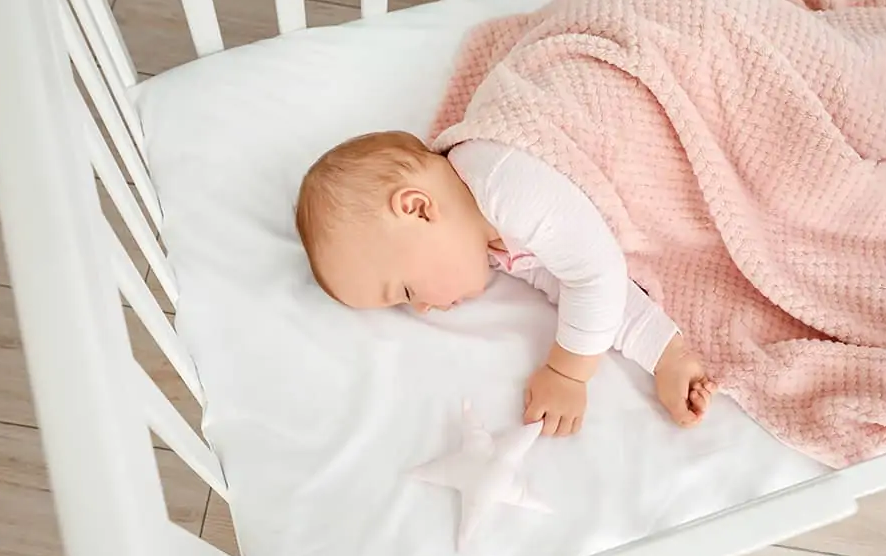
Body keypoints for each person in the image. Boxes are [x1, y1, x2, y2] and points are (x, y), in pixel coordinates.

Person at [294, 130, 717, 437]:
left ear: (418, 209)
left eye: (406, 291)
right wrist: (665, 354)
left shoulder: (503, 185)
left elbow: (595, 275)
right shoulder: (494, 245)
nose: (420, 308)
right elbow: (574, 283)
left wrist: (568, 373)